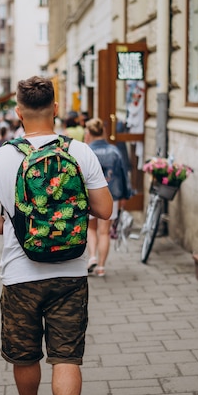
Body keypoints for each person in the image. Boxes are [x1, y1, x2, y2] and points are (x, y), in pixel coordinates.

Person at [0, 76, 112, 395]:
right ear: (56, 109)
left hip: (20, 274)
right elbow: (104, 211)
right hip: (70, 272)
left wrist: (27, 232)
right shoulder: (80, 151)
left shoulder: (0, 158)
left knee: (26, 354)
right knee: (66, 356)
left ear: (17, 113)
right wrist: (63, 226)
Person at [85, 117, 131, 277]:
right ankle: (101, 267)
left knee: (91, 229)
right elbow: (123, 175)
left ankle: (92, 257)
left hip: (90, 195)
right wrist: (126, 194)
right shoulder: (114, 151)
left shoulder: (86, 150)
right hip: (111, 195)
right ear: (103, 131)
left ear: (89, 133)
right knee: (104, 232)